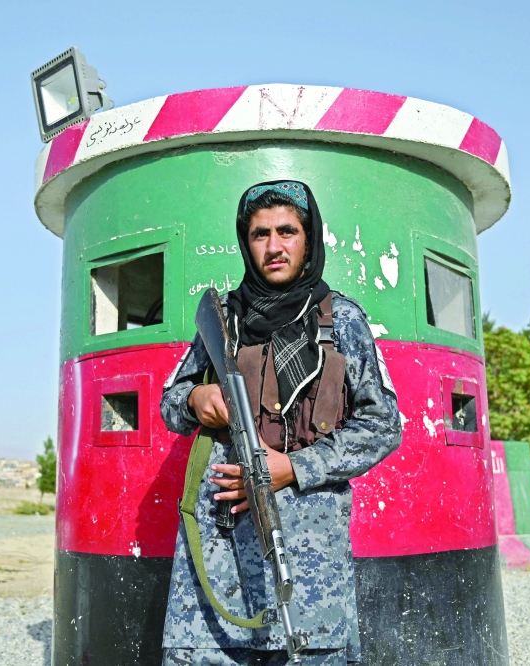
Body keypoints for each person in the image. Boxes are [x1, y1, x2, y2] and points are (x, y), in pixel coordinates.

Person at [160, 180, 402, 666]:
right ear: (246, 243)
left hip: (308, 563)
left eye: (287, 231)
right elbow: (171, 402)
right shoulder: (223, 320)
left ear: (308, 239)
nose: (274, 246)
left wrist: (294, 468)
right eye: (260, 234)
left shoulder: (343, 321)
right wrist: (197, 398)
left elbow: (384, 425)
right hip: (220, 556)